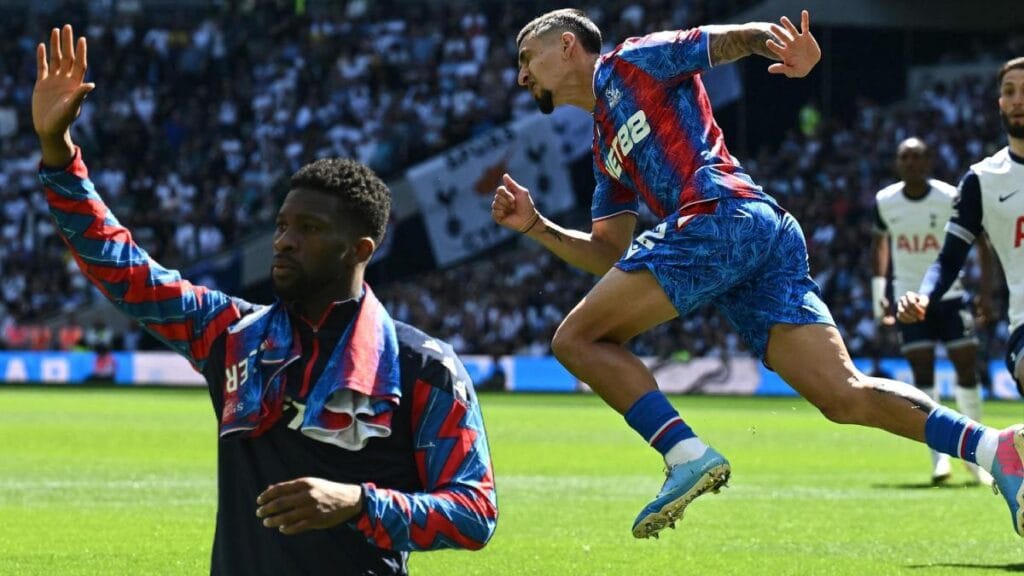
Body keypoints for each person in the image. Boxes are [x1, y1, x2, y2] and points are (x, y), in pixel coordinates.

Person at [492, 8, 1024, 539]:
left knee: (577, 340)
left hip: (721, 215)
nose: (521, 76)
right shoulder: (604, 143)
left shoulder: (632, 61)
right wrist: (536, 225)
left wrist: (786, 48)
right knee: (843, 394)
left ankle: (684, 454)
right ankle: (992, 447)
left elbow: (725, 41)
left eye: (526, 58)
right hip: (755, 232)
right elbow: (609, 250)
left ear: (566, 46)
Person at [34, 26, 496, 575]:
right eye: (280, 225)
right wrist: (59, 155)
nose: (284, 240)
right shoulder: (231, 334)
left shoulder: (424, 368)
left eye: (308, 228)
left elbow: (475, 511)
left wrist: (360, 502)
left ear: (360, 249)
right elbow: (127, 272)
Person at [899, 56, 1024, 445]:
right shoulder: (983, 180)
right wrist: (925, 293)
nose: (1019, 99)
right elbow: (950, 257)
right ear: (999, 104)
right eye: (1009, 92)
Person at [870, 137, 992, 485]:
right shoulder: (885, 201)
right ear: (897, 162)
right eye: (904, 156)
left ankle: (977, 458)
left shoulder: (950, 195)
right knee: (922, 375)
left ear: (929, 161)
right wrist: (880, 296)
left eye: (917, 156)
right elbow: (879, 246)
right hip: (909, 301)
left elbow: (979, 241)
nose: (911, 162)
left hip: (950, 297)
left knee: (966, 368)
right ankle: (940, 459)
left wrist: (985, 291)